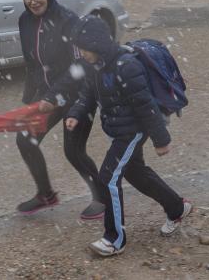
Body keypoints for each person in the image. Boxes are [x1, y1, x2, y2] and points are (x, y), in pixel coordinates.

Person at [65, 15, 192, 257]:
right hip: (119, 130)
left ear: (98, 43)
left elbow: (145, 105)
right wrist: (75, 113)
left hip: (133, 131)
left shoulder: (126, 65)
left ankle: (114, 239)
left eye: (84, 48)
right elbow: (88, 94)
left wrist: (161, 139)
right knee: (135, 172)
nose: (81, 54)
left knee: (108, 178)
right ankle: (177, 208)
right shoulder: (97, 66)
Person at [15, 0, 105, 220]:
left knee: (73, 151)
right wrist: (31, 97)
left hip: (79, 95)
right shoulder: (25, 21)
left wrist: (53, 96)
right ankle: (46, 195)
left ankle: (102, 198)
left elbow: (80, 67)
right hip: (47, 96)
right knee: (25, 139)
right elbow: (31, 63)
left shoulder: (68, 21)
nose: (33, 1)